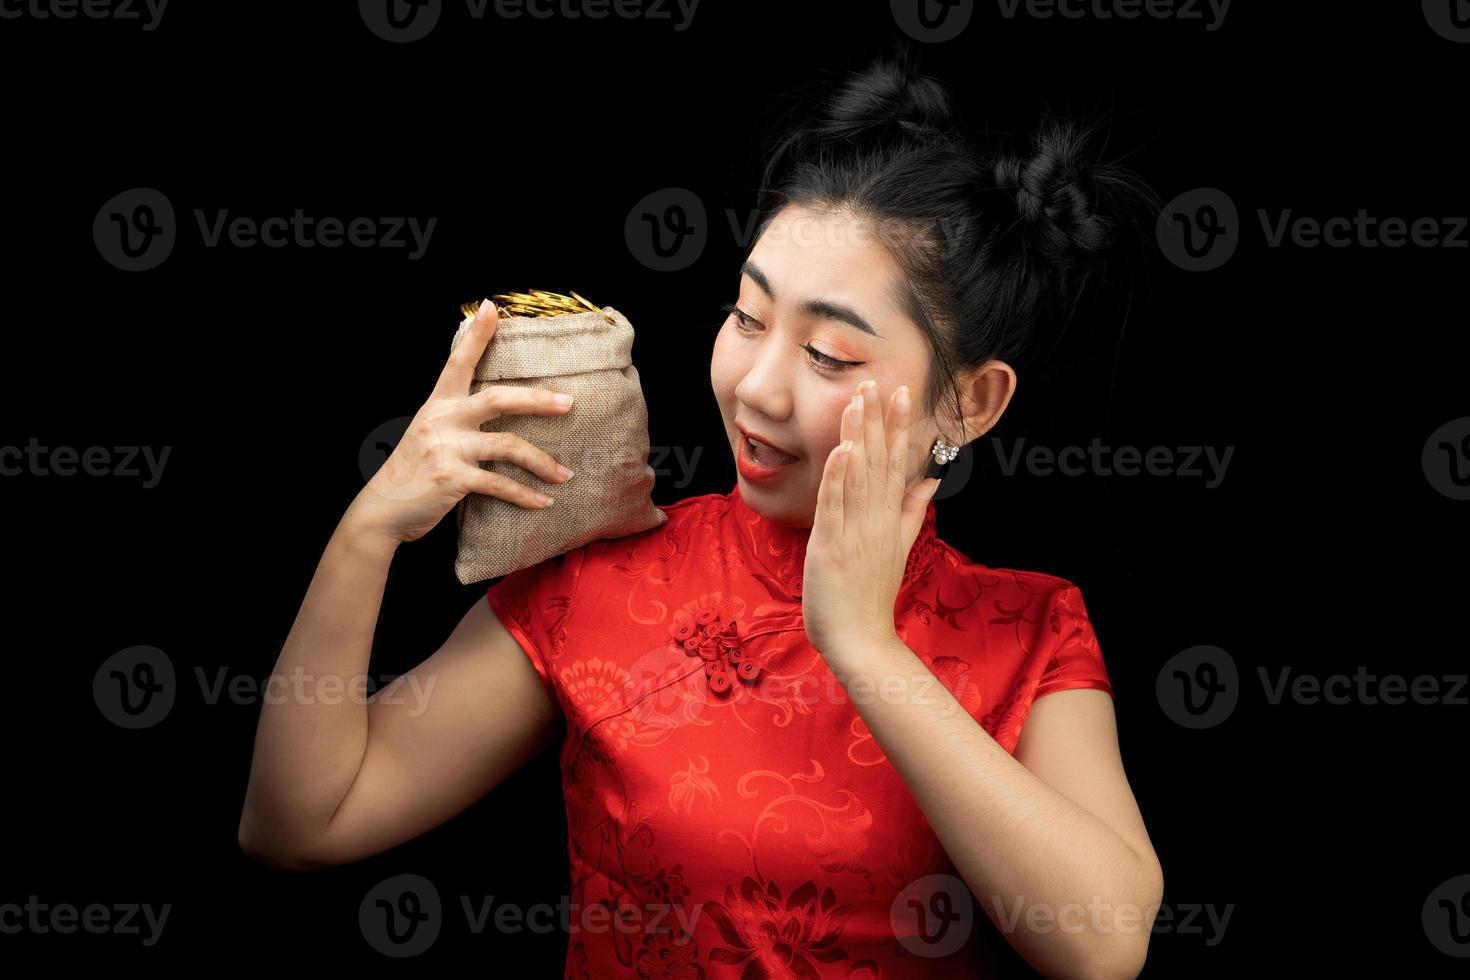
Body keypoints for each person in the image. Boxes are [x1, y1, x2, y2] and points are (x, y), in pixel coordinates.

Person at [239, 43, 1164, 980]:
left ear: (971, 403)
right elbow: (301, 822)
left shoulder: (1029, 629)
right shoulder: (604, 574)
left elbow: (1102, 945)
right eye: (748, 318)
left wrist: (863, 643)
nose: (756, 388)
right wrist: (367, 533)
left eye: (830, 355)